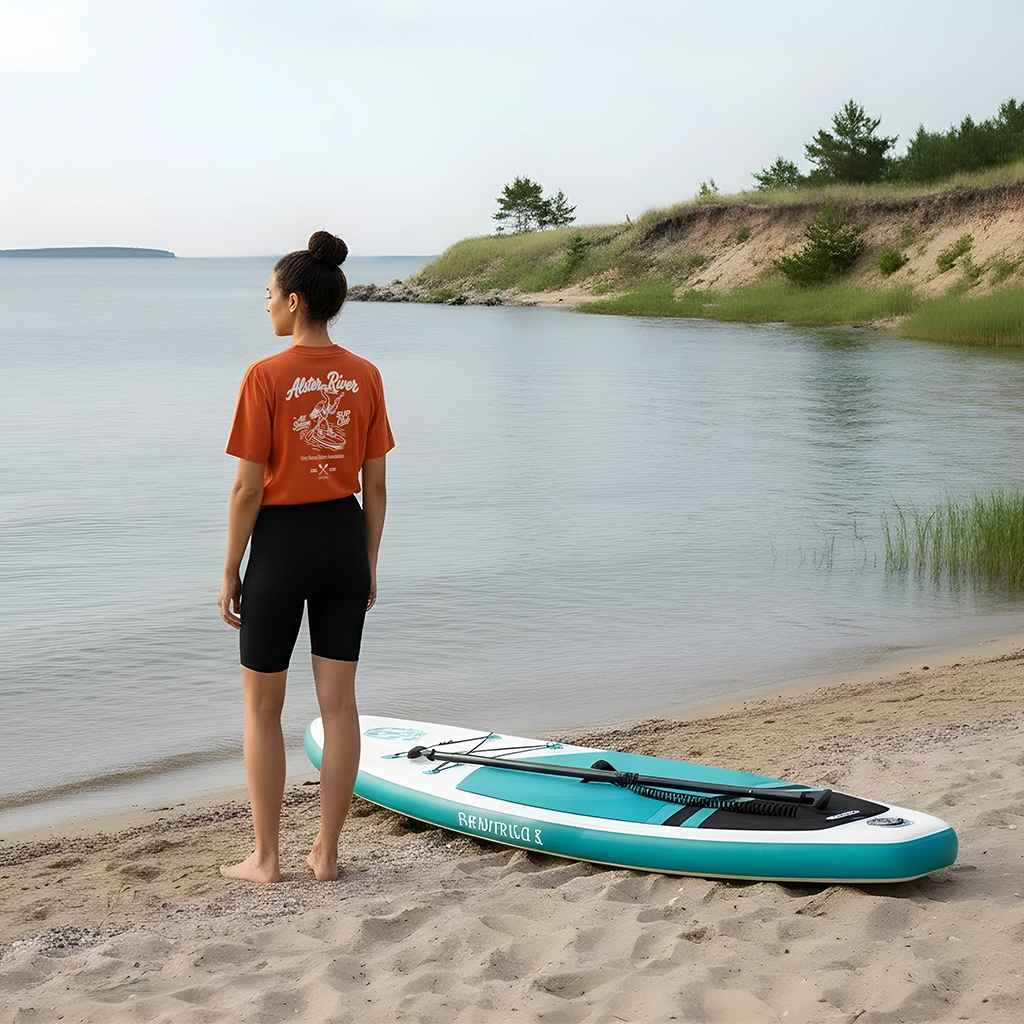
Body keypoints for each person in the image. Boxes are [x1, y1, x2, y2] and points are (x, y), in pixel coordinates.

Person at [217, 230, 394, 883]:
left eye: (269, 294)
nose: (265, 304)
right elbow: (376, 486)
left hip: (283, 545)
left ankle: (266, 858)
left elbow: (248, 489)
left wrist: (230, 568)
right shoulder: (366, 375)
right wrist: (369, 561)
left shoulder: (264, 377)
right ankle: (326, 852)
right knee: (339, 705)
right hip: (344, 539)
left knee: (262, 707)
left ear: (294, 301)